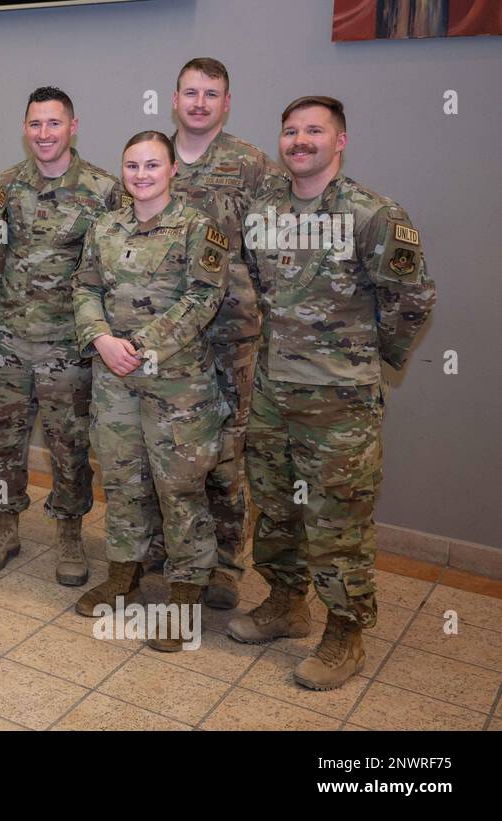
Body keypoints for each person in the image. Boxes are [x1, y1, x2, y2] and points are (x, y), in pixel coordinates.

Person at [229, 96, 436, 689]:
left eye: (313, 131)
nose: (300, 141)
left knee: (338, 519)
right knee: (276, 507)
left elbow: (413, 299)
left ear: (339, 140)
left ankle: (345, 633)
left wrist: (368, 363)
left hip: (340, 402)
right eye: (290, 131)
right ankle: (285, 603)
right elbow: (248, 284)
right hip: (272, 393)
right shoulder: (263, 209)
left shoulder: (373, 213)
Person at [70, 131, 230, 651]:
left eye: (152, 166)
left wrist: (136, 344)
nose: (141, 175)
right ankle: (124, 573)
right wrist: (99, 338)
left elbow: (203, 298)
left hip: (176, 385)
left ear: (172, 172)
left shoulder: (198, 229)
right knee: (120, 481)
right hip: (114, 380)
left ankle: (187, 592)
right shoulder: (105, 227)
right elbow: (84, 287)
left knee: (179, 489)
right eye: (132, 166)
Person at [0, 86, 121, 586]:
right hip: (10, 344)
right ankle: (4, 528)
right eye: (35, 124)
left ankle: (70, 536)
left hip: (69, 348)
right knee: (5, 444)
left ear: (72, 127)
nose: (44, 134)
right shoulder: (6, 185)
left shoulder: (104, 191)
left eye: (54, 124)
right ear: (25, 129)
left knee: (70, 447)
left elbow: (110, 270)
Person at [158, 57, 288, 609]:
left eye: (212, 94)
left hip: (232, 334)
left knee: (227, 453)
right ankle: (172, 554)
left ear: (226, 103)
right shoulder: (150, 159)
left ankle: (227, 566)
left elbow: (275, 252)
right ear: (175, 98)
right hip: (166, 337)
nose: (200, 103)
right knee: (167, 451)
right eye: (191, 92)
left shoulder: (252, 166)